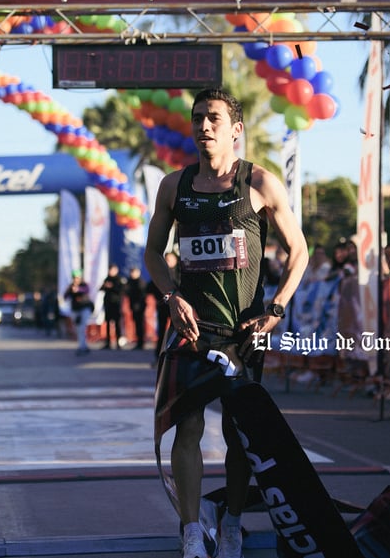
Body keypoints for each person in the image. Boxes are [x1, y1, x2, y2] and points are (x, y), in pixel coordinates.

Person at [144, 88, 308, 558]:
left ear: (236, 130)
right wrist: (171, 295)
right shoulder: (175, 186)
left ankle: (232, 523)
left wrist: (275, 308)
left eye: (213, 118)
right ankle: (193, 530)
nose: (203, 126)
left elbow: (299, 252)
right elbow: (153, 253)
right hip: (191, 328)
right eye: (197, 118)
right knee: (187, 426)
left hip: (243, 332)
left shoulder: (259, 183)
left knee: (241, 436)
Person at [147, 252, 180, 361]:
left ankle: (175, 357)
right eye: (166, 260)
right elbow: (150, 287)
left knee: (176, 332)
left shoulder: (180, 273)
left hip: (177, 307)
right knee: (161, 332)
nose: (168, 262)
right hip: (163, 306)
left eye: (170, 259)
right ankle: (159, 356)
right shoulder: (161, 274)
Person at [64, 270, 94, 355]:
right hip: (75, 310)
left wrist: (78, 289)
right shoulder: (71, 286)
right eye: (74, 278)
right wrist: (69, 290)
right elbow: (65, 296)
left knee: (82, 328)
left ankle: (82, 347)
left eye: (77, 278)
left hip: (84, 308)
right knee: (78, 329)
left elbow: (86, 290)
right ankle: (83, 346)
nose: (76, 279)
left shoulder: (84, 285)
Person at [99, 264, 125, 349]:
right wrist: (105, 286)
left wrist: (111, 287)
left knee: (117, 323)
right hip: (108, 304)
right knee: (107, 323)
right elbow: (101, 289)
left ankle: (118, 342)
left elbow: (121, 290)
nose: (111, 272)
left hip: (116, 304)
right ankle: (108, 342)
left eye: (112, 270)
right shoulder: (107, 279)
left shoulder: (118, 279)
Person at [126, 267, 147, 350]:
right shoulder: (130, 282)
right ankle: (138, 341)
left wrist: (139, 305)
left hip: (140, 306)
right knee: (136, 324)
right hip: (133, 306)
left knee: (140, 324)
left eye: (134, 272)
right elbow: (126, 291)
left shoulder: (140, 282)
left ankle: (141, 342)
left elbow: (142, 294)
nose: (132, 274)